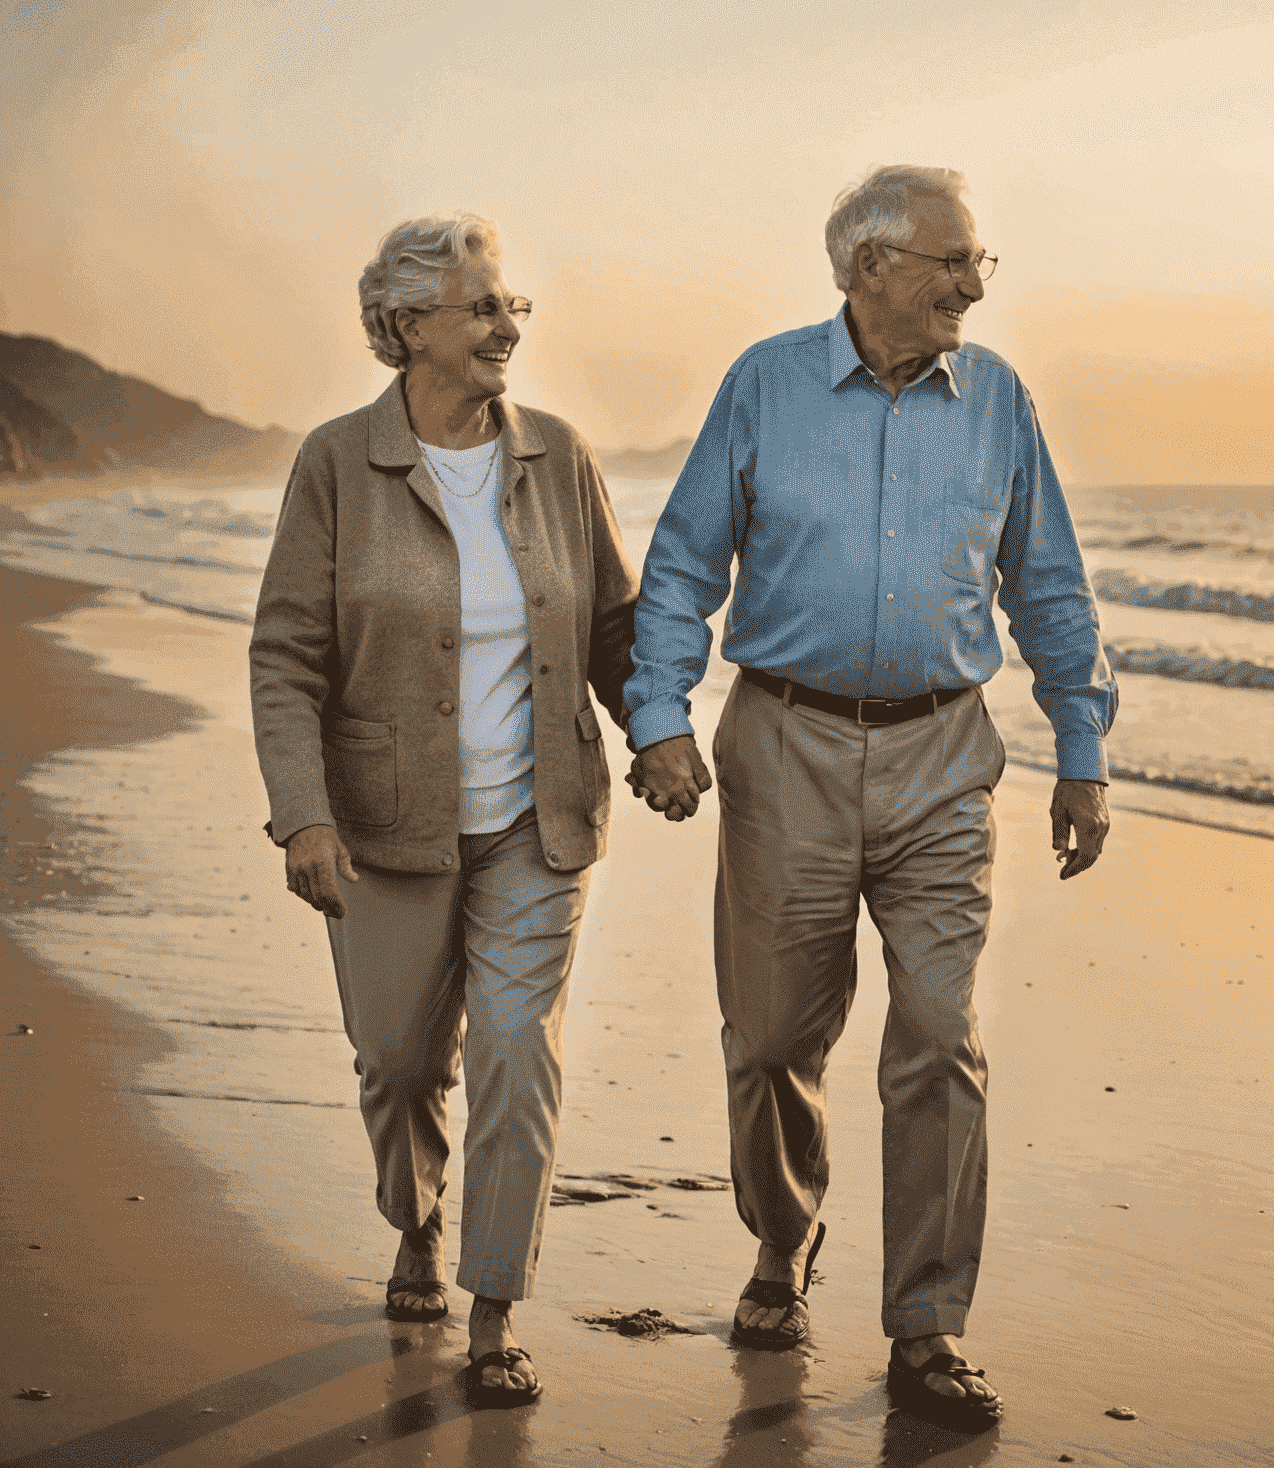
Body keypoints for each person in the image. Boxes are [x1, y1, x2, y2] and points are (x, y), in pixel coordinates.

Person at [623, 166, 1116, 1432]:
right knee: (777, 1034)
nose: (971, 284)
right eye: (950, 262)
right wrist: (659, 718)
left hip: (945, 759)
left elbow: (1046, 584)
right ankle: (783, 1247)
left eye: (979, 264)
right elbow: (680, 569)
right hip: (782, 746)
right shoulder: (764, 387)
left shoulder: (999, 399)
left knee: (941, 1035)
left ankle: (929, 1324)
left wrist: (1083, 744)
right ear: (867, 269)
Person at [250, 213, 637, 1408]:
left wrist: (658, 731)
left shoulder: (559, 457)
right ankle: (414, 1220)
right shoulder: (335, 463)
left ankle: (493, 1308)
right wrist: (302, 814)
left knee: (519, 1050)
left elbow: (616, 626)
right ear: (409, 325)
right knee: (400, 1058)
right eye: (481, 306)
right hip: (384, 825)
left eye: (511, 304)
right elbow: (285, 655)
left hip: (540, 817)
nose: (507, 324)